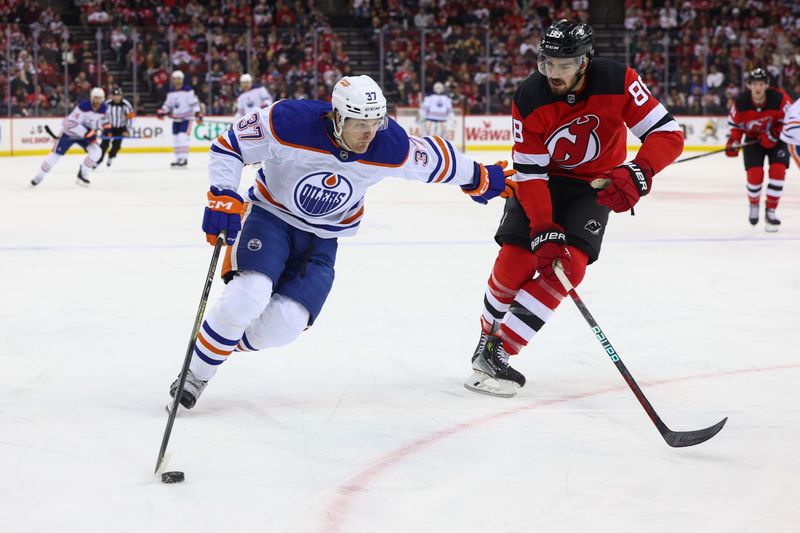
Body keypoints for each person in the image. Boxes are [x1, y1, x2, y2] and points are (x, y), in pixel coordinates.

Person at [168, 75, 517, 409]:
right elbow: (230, 145)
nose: (368, 133)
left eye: (375, 122)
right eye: (359, 124)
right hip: (269, 216)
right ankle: (196, 374)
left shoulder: (388, 144)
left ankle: (219, 344)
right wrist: (222, 193)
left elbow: (433, 159)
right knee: (247, 296)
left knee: (287, 323)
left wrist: (480, 176)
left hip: (323, 238)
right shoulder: (288, 121)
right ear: (337, 117)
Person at [463, 19, 684, 398]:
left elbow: (667, 134)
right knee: (515, 262)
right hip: (542, 182)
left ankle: (501, 348)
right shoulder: (530, 97)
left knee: (570, 267)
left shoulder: (619, 81)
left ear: (584, 62)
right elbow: (531, 174)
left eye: (563, 65)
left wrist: (639, 171)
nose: (554, 73)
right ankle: (486, 339)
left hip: (590, 188)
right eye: (547, 63)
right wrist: (543, 226)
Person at [725, 67, 792, 231]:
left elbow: (791, 121)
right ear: (749, 85)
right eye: (754, 84)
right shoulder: (741, 103)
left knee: (778, 171)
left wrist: (774, 133)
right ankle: (754, 204)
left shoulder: (780, 99)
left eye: (761, 84)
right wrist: (734, 142)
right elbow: (736, 128)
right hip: (753, 142)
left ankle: (771, 211)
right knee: (755, 175)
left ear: (767, 85)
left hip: (777, 141)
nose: (758, 88)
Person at [31, 87, 108, 187]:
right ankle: (39, 176)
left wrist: (104, 131)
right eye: (95, 98)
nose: (97, 101)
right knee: (54, 156)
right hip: (69, 133)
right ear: (91, 98)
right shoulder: (83, 107)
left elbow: (102, 122)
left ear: (103, 99)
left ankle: (83, 174)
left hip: (85, 135)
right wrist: (87, 133)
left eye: (100, 98)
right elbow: (70, 123)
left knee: (97, 151)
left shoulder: (104, 109)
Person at [156, 70, 202, 167]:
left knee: (182, 137)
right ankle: (178, 158)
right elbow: (167, 105)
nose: (177, 81)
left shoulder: (188, 90)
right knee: (176, 138)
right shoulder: (171, 92)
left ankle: (184, 158)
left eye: (179, 78)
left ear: (182, 79)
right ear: (172, 80)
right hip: (176, 118)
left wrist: (197, 113)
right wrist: (162, 111)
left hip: (186, 118)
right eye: (175, 78)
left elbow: (195, 103)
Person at [97, 87, 135, 168]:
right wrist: (104, 128)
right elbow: (102, 116)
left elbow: (131, 117)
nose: (117, 97)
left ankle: (111, 156)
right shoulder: (107, 104)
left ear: (121, 96)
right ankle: (98, 161)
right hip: (108, 127)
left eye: (118, 95)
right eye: (115, 95)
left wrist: (127, 130)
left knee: (116, 145)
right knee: (104, 145)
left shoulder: (126, 104)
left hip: (120, 128)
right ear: (112, 96)